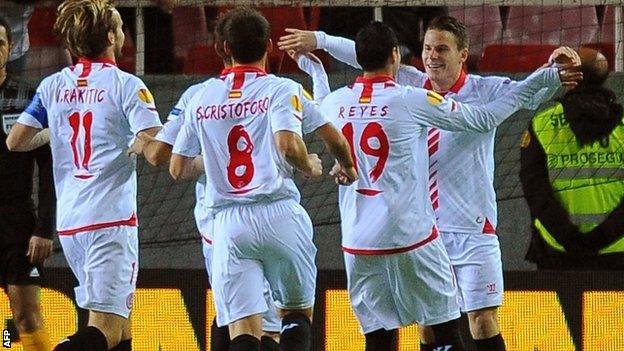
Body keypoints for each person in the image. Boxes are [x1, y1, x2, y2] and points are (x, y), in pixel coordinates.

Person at [278, 16, 581, 351]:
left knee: (481, 321)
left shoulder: (486, 89)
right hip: (423, 232)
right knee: (429, 328)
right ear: (403, 56)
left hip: (470, 227)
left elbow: (529, 94)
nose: (432, 56)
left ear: (463, 54)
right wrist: (320, 41)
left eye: (441, 49)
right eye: (426, 49)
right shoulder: (412, 86)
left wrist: (551, 72)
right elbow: (367, 53)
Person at [141, 11, 352, 351]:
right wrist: (318, 166)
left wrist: (213, 161)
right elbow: (312, 141)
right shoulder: (283, 88)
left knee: (242, 331)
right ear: (269, 46)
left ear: (222, 48)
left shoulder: (201, 96)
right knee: (295, 315)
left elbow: (176, 168)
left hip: (226, 222)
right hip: (279, 212)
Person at [6, 1, 163, 350]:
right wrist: (141, 143)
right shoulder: (126, 85)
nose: (122, 33)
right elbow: (156, 152)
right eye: (120, 27)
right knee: (104, 329)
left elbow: (16, 141)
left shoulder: (52, 86)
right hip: (110, 222)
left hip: (73, 222)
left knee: (121, 330)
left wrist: (56, 132)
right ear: (109, 36)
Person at [521, 47, 624, 270]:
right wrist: (604, 236)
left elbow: (535, 189)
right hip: (617, 250)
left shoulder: (542, 124)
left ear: (570, 77)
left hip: (557, 249)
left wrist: (567, 236)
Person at [0, 15, 54, 351]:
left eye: (0, 43)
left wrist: (45, 227)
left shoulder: (27, 98)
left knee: (26, 317)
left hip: (17, 220)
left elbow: (49, 170)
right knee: (1, 322)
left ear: (9, 49)